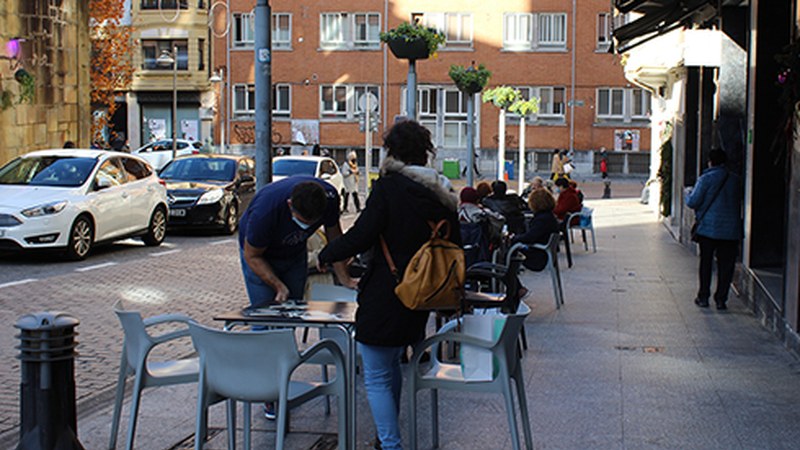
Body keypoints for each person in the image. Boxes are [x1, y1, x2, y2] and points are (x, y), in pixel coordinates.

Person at [318, 120, 460, 450]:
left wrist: (329, 252)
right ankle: (387, 440)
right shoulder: (442, 192)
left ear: (391, 151)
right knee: (392, 361)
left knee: (377, 373)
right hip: (423, 293)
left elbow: (363, 233)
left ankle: (391, 444)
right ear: (426, 153)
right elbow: (455, 242)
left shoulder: (389, 187)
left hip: (387, 290)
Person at [238, 177, 356, 307]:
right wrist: (278, 286)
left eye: (312, 223)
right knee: (263, 314)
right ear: (290, 204)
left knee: (294, 310)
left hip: (295, 253)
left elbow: (335, 240)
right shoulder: (264, 213)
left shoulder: (330, 198)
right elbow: (252, 256)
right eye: (302, 221)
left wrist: (345, 279)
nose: (304, 227)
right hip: (261, 256)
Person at [685, 149, 742, 310]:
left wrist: (687, 194)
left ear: (710, 161)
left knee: (706, 263)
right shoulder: (735, 180)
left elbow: (693, 202)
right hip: (730, 231)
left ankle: (703, 296)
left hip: (708, 230)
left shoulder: (706, 179)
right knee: (726, 265)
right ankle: (721, 299)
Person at [510, 189, 561, 297]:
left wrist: (514, 238)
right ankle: (516, 288)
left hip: (538, 256)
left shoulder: (542, 219)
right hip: (544, 252)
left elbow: (530, 237)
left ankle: (516, 288)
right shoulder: (548, 217)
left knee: (506, 256)